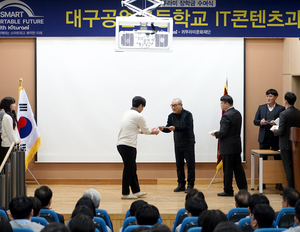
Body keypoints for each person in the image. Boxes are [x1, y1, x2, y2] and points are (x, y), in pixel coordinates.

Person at [117, 96, 159, 199]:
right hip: (128, 146)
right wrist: (153, 132)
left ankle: (136, 191)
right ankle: (125, 193)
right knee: (129, 169)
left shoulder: (127, 113)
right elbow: (147, 131)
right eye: (143, 107)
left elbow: (134, 130)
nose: (142, 109)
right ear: (141, 105)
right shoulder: (138, 116)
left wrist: (148, 131)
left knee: (132, 168)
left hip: (121, 144)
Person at [211, 95, 247, 197]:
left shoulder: (226, 115)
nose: (220, 105)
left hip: (227, 147)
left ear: (227, 103)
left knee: (227, 169)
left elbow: (224, 132)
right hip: (236, 145)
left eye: (222, 103)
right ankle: (243, 189)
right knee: (238, 168)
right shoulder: (237, 113)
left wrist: (216, 133)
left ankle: (228, 190)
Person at [158, 98, 195, 193]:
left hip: (188, 143)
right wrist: (163, 129)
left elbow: (187, 127)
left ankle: (190, 185)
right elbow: (169, 128)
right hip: (177, 143)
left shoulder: (188, 114)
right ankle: (181, 184)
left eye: (175, 105)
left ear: (181, 105)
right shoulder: (171, 116)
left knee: (190, 165)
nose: (173, 107)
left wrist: (175, 128)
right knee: (179, 165)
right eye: (172, 105)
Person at [253, 89, 285, 190]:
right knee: (262, 160)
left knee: (278, 160)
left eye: (270, 96)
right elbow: (255, 121)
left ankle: (279, 182)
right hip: (264, 137)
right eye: (267, 96)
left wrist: (276, 123)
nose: (268, 98)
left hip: (276, 138)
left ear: (275, 97)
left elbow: (283, 122)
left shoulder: (281, 108)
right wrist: (261, 122)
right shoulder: (261, 107)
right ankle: (262, 182)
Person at [273, 92, 300, 188]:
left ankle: (290, 190)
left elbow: (280, 131)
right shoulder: (298, 112)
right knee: (296, 168)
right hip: (297, 145)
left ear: (286, 101)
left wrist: (274, 131)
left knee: (288, 168)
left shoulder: (283, 114)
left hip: (286, 145)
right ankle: (297, 188)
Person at [0, 97, 19, 163]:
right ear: (8, 105)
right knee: (7, 166)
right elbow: (10, 133)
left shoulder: (11, 115)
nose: (15, 105)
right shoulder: (7, 117)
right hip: (8, 145)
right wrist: (16, 142)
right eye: (13, 103)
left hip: (11, 144)